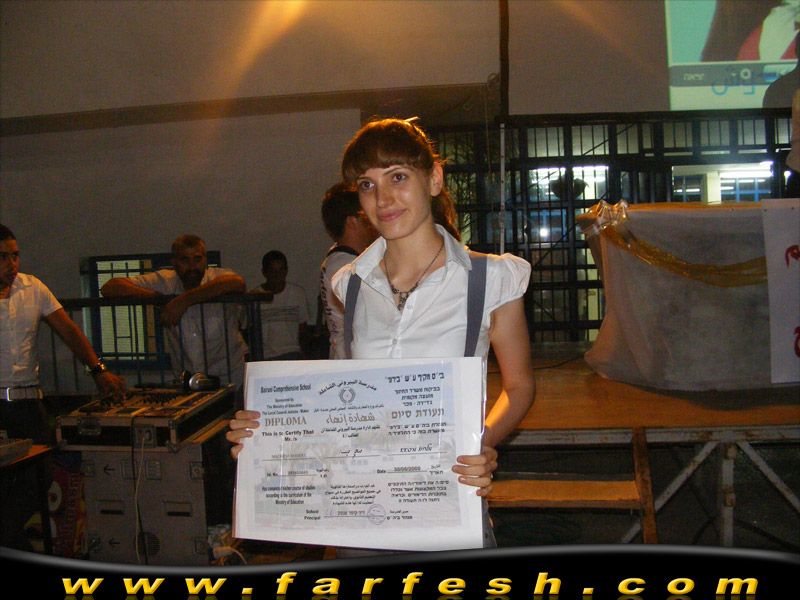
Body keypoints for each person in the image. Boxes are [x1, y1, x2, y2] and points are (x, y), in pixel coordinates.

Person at [228, 118, 536, 552]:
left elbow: (520, 386)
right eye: (367, 185)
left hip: (444, 501)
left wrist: (477, 444)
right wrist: (270, 436)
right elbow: (346, 396)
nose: (383, 198)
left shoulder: (491, 278)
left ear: (434, 179)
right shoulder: (350, 284)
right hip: (361, 509)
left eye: (398, 177)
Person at [0, 224, 127, 444]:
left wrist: (98, 370)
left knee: (40, 461)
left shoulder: (33, 287)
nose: (12, 264)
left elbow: (68, 330)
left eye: (15, 256)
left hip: (29, 402)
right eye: (3, 257)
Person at [100, 234, 248, 388]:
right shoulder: (164, 280)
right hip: (188, 380)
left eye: (197, 259)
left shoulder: (217, 276)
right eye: (185, 260)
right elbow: (110, 287)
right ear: (174, 263)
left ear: (205, 260)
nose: (192, 266)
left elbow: (237, 283)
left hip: (231, 377)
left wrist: (183, 301)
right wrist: (156, 298)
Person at [318, 182, 378, 358]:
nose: (373, 222)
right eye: (366, 216)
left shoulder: (336, 259)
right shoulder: (347, 265)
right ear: (352, 221)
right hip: (350, 359)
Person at [248, 250, 310, 360]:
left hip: (292, 353)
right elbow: (249, 332)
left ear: (286, 271)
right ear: (264, 272)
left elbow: (303, 329)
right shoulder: (255, 297)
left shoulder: (297, 293)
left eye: (281, 270)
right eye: (273, 271)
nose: (277, 275)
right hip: (264, 356)